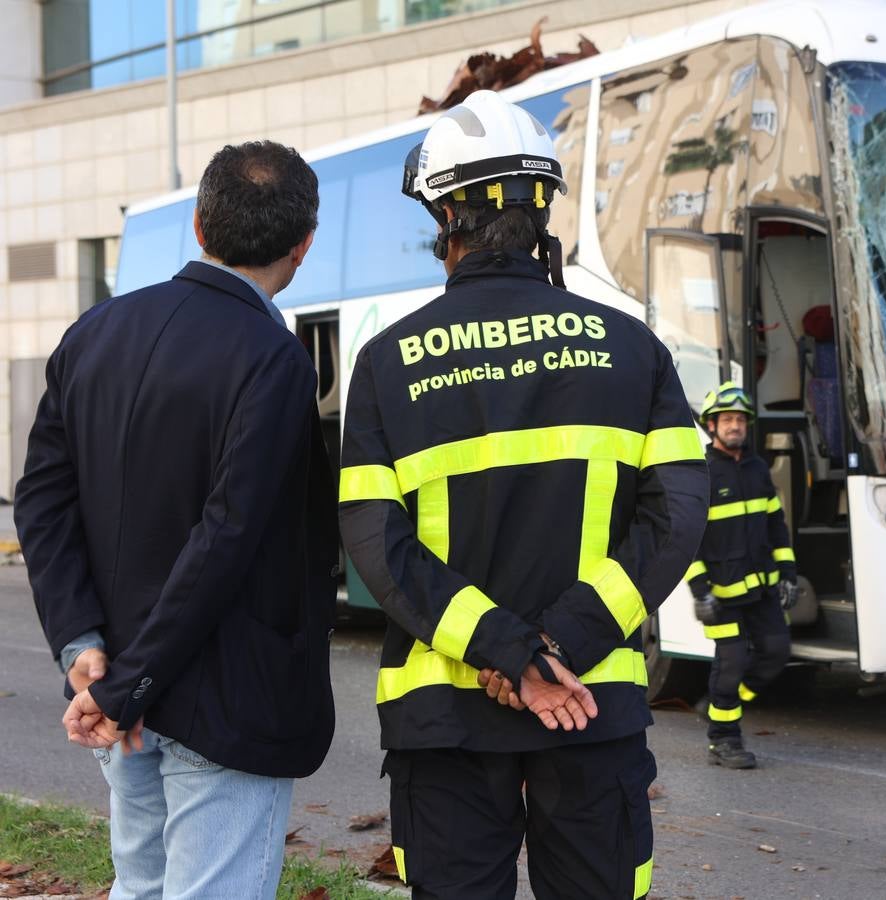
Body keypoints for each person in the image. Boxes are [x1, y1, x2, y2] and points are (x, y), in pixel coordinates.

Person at [337, 90, 708, 899]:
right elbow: (678, 518)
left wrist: (508, 653)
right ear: (541, 211)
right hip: (590, 702)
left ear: (447, 217)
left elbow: (376, 545)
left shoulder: (388, 362)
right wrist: (560, 645)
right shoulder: (633, 347)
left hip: (446, 718)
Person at [14, 141, 337, 899]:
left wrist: (82, 645)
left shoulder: (93, 332)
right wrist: (129, 683)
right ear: (304, 245)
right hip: (219, 701)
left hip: (115, 686)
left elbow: (42, 500)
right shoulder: (274, 357)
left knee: (140, 886)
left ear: (198, 226)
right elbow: (229, 535)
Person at [685, 382, 797, 769]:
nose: (735, 426)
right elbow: (688, 540)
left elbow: (776, 525)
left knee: (776, 653)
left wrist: (788, 573)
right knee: (730, 663)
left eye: (740, 420)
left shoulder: (758, 469)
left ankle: (721, 704)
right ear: (712, 426)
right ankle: (723, 740)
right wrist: (700, 591)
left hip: (762, 589)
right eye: (727, 420)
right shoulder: (701, 474)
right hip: (722, 594)